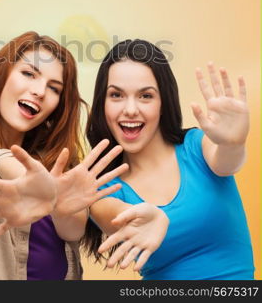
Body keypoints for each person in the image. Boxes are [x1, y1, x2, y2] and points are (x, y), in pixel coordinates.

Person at [0, 31, 128, 280]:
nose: (40, 91)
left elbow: (72, 232)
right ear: (0, 76)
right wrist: (43, 187)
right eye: (29, 74)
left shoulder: (57, 164)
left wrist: (58, 202)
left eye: (54, 88)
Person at [83, 39, 255, 280]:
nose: (130, 109)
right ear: (103, 104)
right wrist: (144, 219)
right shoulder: (102, 186)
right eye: (116, 95)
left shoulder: (195, 146)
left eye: (145, 96)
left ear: (163, 102)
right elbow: (117, 217)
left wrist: (233, 143)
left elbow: (227, 161)